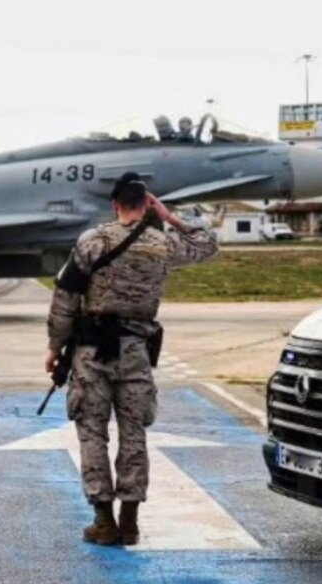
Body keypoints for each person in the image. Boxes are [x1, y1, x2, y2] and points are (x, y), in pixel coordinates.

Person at [45, 173, 220, 546]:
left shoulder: (92, 241)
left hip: (92, 353)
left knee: (92, 431)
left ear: (115, 205)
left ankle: (103, 520)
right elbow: (207, 244)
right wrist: (170, 218)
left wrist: (55, 347)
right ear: (146, 205)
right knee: (134, 432)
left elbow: (65, 297)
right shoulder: (162, 244)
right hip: (136, 351)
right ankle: (130, 521)